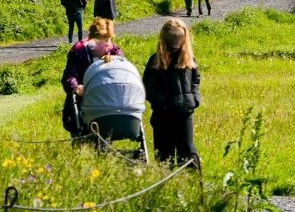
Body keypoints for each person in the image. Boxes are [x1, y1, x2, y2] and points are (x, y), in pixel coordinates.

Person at [144, 19, 202, 167]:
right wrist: (164, 103)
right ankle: (166, 186)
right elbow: (148, 88)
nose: (176, 44)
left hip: (184, 114)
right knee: (164, 155)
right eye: (173, 39)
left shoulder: (188, 59)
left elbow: (195, 80)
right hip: (163, 116)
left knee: (188, 152)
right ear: (166, 39)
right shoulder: (156, 60)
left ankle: (193, 185)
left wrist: (194, 98)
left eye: (179, 39)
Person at [63, 19, 124, 141]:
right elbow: (69, 76)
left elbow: (122, 72)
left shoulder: (114, 52)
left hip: (107, 104)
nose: (108, 44)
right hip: (84, 102)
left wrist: (114, 62)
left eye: (109, 40)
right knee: (83, 141)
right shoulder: (78, 52)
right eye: (104, 41)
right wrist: (75, 87)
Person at [78, 53, 147, 152]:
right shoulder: (126, 70)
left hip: (100, 118)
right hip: (130, 118)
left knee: (100, 134)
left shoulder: (94, 70)